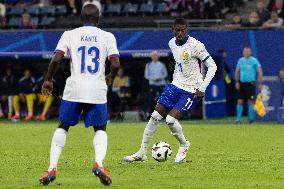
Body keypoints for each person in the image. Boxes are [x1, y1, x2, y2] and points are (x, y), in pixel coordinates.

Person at [39, 4, 120, 186]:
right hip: (97, 89)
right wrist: (111, 77)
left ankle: (52, 168)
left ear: (81, 19)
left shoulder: (69, 34)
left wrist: (48, 79)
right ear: (98, 19)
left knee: (63, 126)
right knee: (100, 128)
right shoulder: (108, 36)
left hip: (74, 88)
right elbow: (115, 64)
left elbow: (57, 58)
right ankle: (98, 164)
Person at [123, 18, 217, 164]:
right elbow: (180, 65)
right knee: (154, 116)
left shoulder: (196, 45)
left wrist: (202, 88)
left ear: (187, 30)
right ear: (172, 30)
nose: (180, 33)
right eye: (177, 30)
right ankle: (142, 152)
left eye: (183, 30)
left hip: (191, 90)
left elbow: (213, 66)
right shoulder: (172, 43)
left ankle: (184, 144)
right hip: (174, 86)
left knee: (170, 120)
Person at [235, 47, 263, 124]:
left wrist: (260, 83)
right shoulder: (240, 60)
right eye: (245, 51)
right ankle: (238, 120)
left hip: (250, 84)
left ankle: (251, 120)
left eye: (248, 51)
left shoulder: (254, 61)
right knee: (239, 101)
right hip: (242, 83)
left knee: (251, 101)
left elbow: (259, 71)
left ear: (250, 52)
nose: (246, 53)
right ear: (243, 52)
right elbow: (237, 71)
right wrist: (237, 82)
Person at [144, 51, 168, 116]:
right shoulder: (148, 65)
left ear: (158, 57)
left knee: (162, 100)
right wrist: (154, 79)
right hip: (152, 84)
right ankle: (152, 114)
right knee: (151, 99)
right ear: (151, 57)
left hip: (161, 84)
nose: (154, 57)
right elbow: (146, 75)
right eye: (153, 56)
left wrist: (159, 78)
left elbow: (165, 74)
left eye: (156, 56)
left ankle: (163, 114)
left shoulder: (162, 64)